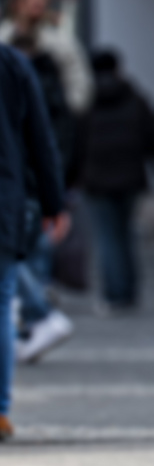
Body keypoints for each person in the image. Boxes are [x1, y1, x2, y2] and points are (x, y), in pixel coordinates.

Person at [4, 0, 87, 362]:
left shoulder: (58, 45)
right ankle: (34, 312)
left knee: (26, 248)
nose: (36, 7)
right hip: (21, 161)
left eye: (42, 0)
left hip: (35, 160)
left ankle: (36, 311)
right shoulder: (6, 43)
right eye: (29, 0)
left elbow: (77, 97)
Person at [0, 43, 67, 442]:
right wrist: (53, 201)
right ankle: (1, 409)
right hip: (5, 197)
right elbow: (40, 135)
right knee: (3, 302)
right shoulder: (11, 62)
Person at [80, 49, 154, 311]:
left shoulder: (87, 100)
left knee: (106, 237)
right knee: (125, 234)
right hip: (130, 177)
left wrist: (67, 176)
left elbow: (75, 143)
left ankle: (113, 294)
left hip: (96, 179)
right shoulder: (135, 97)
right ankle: (128, 290)